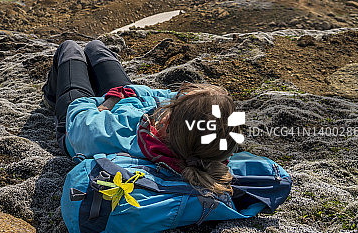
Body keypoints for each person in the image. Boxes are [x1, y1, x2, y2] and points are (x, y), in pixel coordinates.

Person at [43, 39, 240, 195]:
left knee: (70, 49)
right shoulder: (213, 145)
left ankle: (51, 98)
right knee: (96, 48)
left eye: (174, 105)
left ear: (166, 120)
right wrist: (120, 94)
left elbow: (79, 118)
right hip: (126, 103)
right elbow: (164, 96)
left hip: (79, 123)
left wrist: (107, 101)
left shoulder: (119, 137)